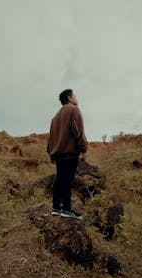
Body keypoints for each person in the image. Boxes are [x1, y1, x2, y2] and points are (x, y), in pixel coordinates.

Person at [47, 89, 88, 220]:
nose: (76, 98)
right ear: (69, 98)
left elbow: (51, 137)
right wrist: (83, 148)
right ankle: (66, 209)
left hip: (58, 154)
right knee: (67, 180)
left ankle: (55, 208)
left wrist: (51, 154)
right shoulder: (74, 110)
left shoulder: (55, 117)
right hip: (70, 152)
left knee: (59, 179)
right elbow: (78, 131)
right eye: (75, 96)